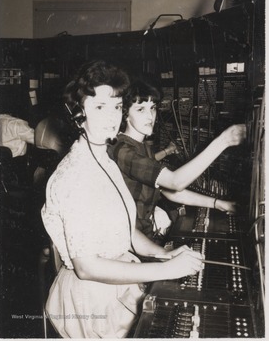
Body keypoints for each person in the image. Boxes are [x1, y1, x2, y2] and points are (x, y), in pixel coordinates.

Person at [41, 60, 204, 338]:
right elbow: (87, 267)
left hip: (118, 288)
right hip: (89, 308)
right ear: (78, 114)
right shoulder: (74, 176)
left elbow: (126, 231)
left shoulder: (105, 158)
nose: (112, 117)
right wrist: (165, 270)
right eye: (100, 107)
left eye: (116, 107)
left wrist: (163, 254)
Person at [110, 79, 247, 240]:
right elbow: (175, 182)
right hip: (129, 241)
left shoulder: (143, 146)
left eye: (152, 108)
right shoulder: (122, 149)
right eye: (140, 109)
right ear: (125, 114)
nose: (150, 116)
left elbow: (170, 191)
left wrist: (218, 203)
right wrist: (224, 140)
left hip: (145, 234)